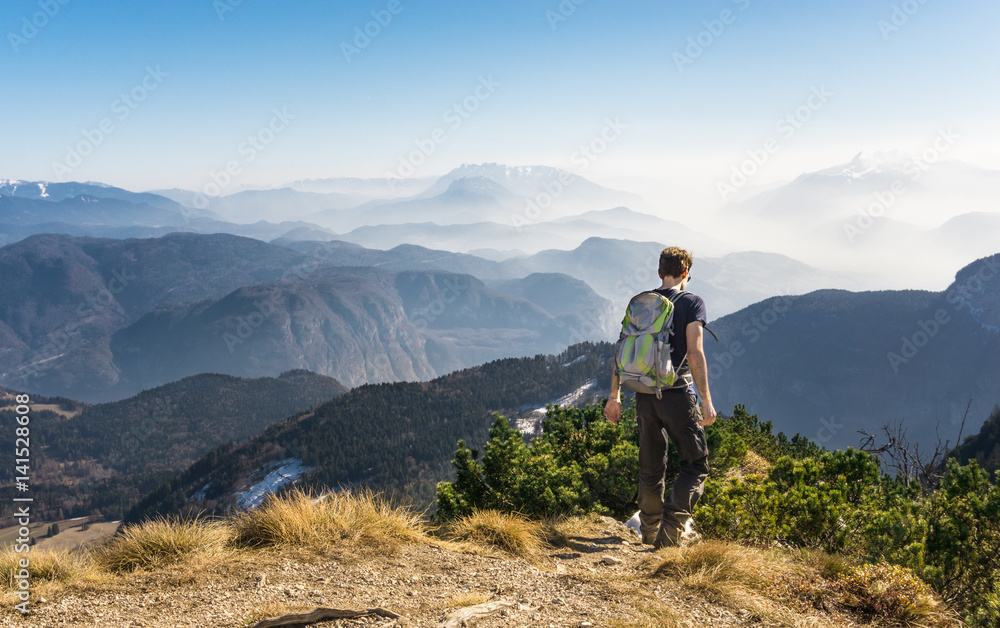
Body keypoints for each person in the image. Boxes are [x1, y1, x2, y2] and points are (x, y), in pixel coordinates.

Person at [603, 246, 717, 548]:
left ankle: (649, 529)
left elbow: (621, 350)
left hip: (643, 393)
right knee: (695, 464)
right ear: (686, 273)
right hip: (677, 393)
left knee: (651, 466)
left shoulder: (643, 303)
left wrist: (613, 396)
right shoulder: (692, 302)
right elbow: (695, 352)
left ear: (659, 272)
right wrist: (706, 399)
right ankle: (670, 532)